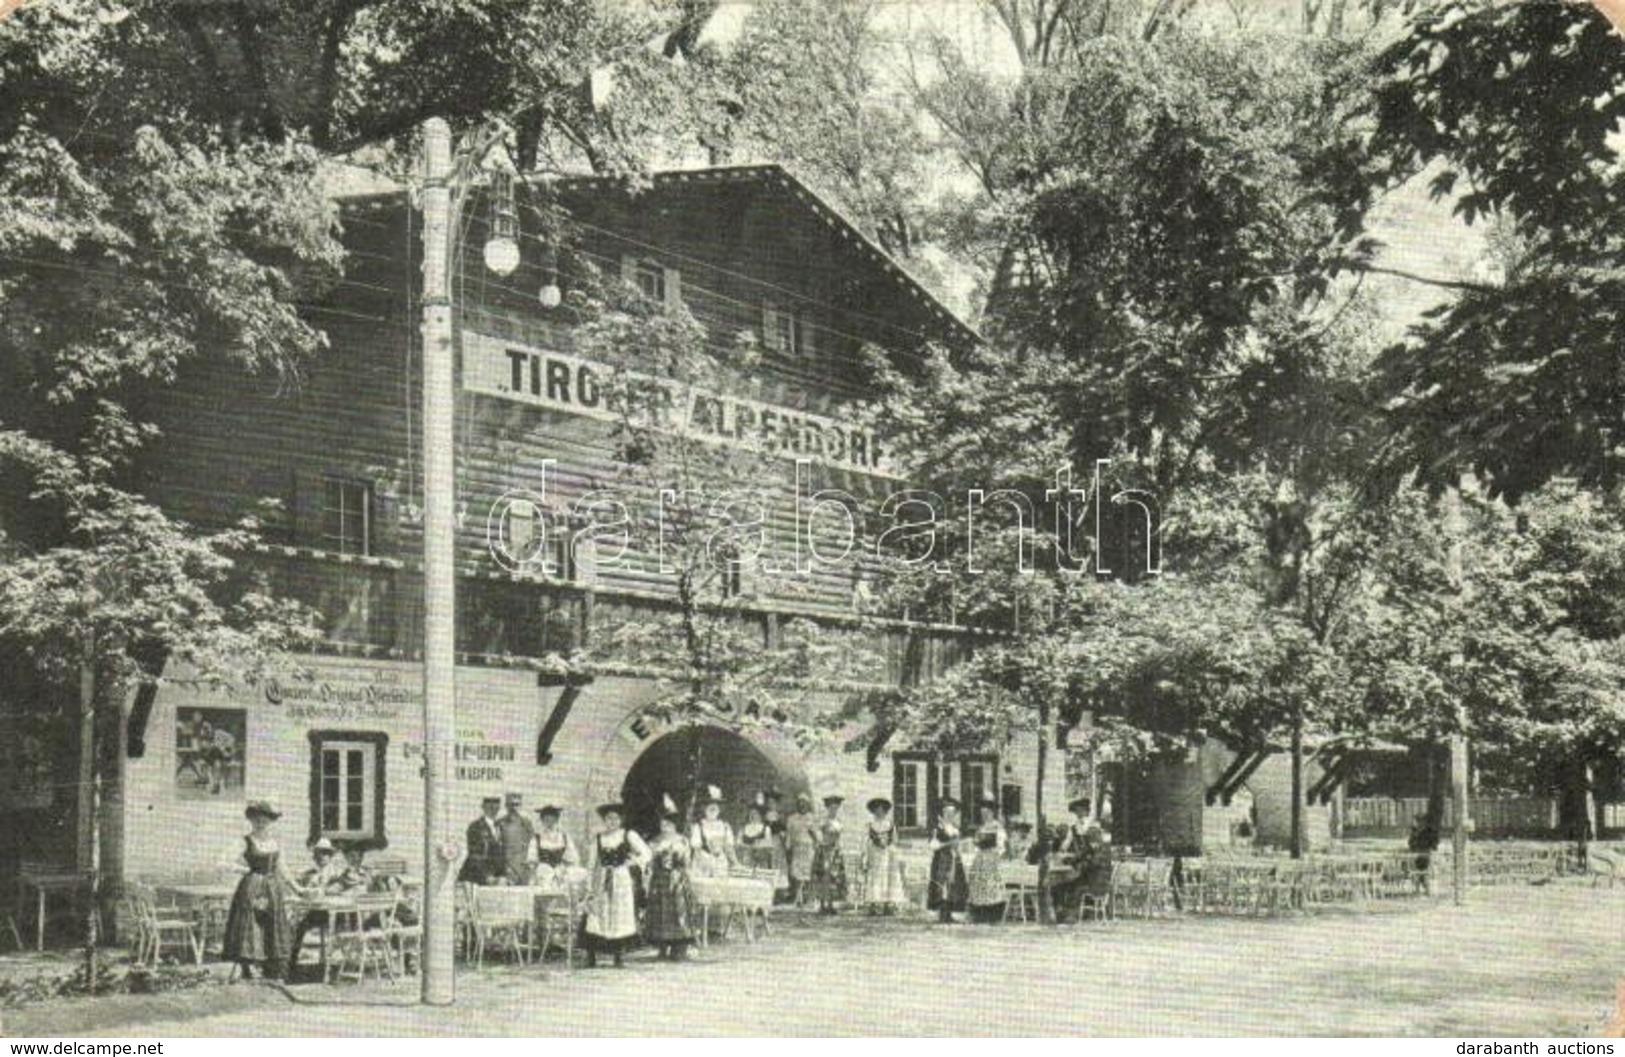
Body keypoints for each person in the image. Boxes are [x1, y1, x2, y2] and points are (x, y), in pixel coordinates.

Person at [223, 800, 305, 981]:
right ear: (251, 820)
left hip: (272, 888)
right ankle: (248, 966)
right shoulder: (245, 841)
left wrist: (297, 888)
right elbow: (225, 862)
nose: (261, 823)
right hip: (252, 886)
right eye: (257, 819)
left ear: (270, 822)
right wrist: (246, 870)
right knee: (250, 925)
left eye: (265, 820)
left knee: (272, 924)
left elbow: (283, 869)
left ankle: (270, 967)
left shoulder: (275, 844)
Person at [583, 802, 648, 968]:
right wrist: (589, 885)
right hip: (603, 877)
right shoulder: (599, 838)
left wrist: (633, 862)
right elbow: (591, 864)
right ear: (604, 820)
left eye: (615, 819)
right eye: (608, 819)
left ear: (621, 820)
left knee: (620, 915)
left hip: (620, 878)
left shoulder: (628, 835)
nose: (612, 822)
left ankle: (618, 957)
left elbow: (647, 853)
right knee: (597, 915)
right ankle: (592, 956)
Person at [644, 796, 699, 960]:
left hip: (676, 879)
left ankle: (679, 945)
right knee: (660, 911)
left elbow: (687, 862)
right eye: (663, 824)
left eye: (668, 824)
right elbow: (649, 861)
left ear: (675, 825)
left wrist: (680, 857)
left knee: (677, 910)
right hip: (659, 880)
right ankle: (662, 946)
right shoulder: (654, 841)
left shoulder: (682, 840)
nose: (665, 827)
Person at [859, 797, 907, 915]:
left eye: (881, 810)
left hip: (888, 855)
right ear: (874, 811)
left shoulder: (890, 825)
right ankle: (874, 904)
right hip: (875, 855)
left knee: (889, 879)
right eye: (877, 810)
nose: (879, 812)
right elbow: (865, 841)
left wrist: (892, 849)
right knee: (875, 879)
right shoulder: (870, 825)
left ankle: (888, 904)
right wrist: (864, 856)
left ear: (885, 811)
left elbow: (895, 840)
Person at [927, 797, 969, 923]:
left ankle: (949, 913)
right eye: (947, 813)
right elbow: (932, 845)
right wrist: (947, 844)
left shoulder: (955, 829)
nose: (950, 816)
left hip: (954, 858)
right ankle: (942, 913)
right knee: (941, 884)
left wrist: (958, 850)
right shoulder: (937, 828)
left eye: (952, 813)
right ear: (942, 814)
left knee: (954, 885)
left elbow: (957, 845)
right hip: (941, 859)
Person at [966, 804, 1008, 924]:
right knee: (978, 883)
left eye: (986, 813)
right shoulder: (981, 827)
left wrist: (997, 854)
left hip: (992, 857)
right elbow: (976, 842)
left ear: (991, 813)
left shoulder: (997, 826)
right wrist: (976, 843)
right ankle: (980, 913)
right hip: (981, 857)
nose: (984, 816)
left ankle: (993, 913)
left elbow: (1001, 844)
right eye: (982, 814)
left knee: (991, 884)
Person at [690, 785, 738, 878]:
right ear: (704, 809)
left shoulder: (725, 826)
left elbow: (729, 848)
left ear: (719, 810)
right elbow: (696, 850)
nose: (712, 810)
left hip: (721, 864)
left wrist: (735, 863)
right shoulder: (698, 826)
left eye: (715, 807)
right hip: (703, 864)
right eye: (709, 807)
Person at [810, 795, 848, 914]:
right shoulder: (823, 821)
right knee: (823, 876)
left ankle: (831, 904)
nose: (834, 810)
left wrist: (839, 847)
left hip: (835, 851)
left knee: (834, 877)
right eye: (831, 808)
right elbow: (812, 830)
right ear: (828, 808)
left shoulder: (839, 822)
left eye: (836, 808)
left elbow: (839, 837)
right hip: (824, 850)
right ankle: (822, 904)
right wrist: (818, 841)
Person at [784, 793, 819, 908]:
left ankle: (809, 899)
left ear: (807, 805)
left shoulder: (811, 818)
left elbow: (816, 834)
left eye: (804, 803)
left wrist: (816, 842)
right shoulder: (792, 818)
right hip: (797, 848)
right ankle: (798, 898)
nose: (802, 806)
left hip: (808, 847)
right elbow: (789, 834)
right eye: (800, 803)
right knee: (797, 874)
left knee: (808, 873)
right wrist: (788, 846)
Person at [529, 805, 580, 883]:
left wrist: (563, 868)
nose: (549, 823)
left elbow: (573, 859)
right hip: (543, 874)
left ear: (557, 820)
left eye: (552, 820)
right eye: (546, 820)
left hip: (561, 874)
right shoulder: (536, 839)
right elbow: (532, 861)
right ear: (542, 821)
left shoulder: (564, 837)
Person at [459, 796, 504, 884]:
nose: (493, 809)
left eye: (496, 806)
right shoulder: (476, 827)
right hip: (474, 878)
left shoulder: (500, 827)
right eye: (490, 806)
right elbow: (475, 855)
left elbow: (500, 855)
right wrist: (486, 876)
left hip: (494, 877)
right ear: (483, 807)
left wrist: (502, 875)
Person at [496, 791, 536, 885]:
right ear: (506, 806)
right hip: (507, 865)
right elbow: (497, 844)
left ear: (520, 806)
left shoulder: (526, 823)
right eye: (510, 805)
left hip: (523, 865)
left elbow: (532, 844)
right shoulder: (500, 823)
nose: (513, 807)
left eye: (516, 804)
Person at [739, 801, 776, 870]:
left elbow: (769, 845)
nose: (755, 816)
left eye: (757, 814)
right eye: (753, 813)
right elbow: (739, 843)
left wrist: (759, 844)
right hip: (747, 860)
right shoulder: (745, 828)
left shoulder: (765, 829)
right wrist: (745, 846)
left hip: (761, 859)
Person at [1408, 813, 1439, 893]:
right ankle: (1419, 888)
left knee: (1424, 872)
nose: (1417, 823)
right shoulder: (1415, 831)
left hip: (1424, 854)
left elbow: (1433, 843)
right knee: (1418, 872)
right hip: (1417, 854)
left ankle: (1425, 888)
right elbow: (1411, 843)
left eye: (1418, 821)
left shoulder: (1427, 832)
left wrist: (1431, 849)